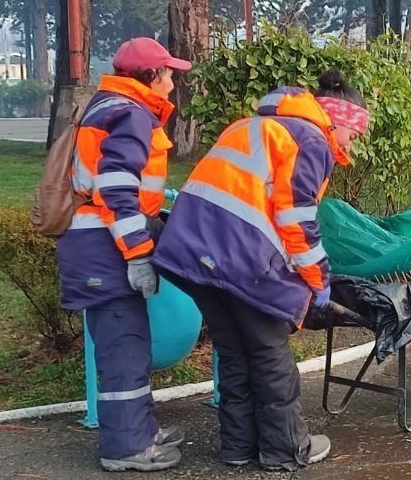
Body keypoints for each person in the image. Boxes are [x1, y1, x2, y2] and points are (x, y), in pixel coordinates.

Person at [151, 69, 370, 471]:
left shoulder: (256, 125)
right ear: (337, 120)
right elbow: (297, 219)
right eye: (352, 134)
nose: (349, 145)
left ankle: (237, 447)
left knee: (234, 351)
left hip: (192, 250)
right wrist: (318, 280)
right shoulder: (309, 139)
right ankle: (286, 450)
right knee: (270, 355)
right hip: (240, 258)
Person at [56, 37, 191, 472]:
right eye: (169, 73)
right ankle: (127, 448)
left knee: (127, 344)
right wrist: (137, 254)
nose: (173, 81)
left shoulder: (107, 105)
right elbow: (116, 189)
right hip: (106, 248)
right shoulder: (131, 114)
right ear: (152, 76)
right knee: (122, 350)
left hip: (96, 243)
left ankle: (140, 430)